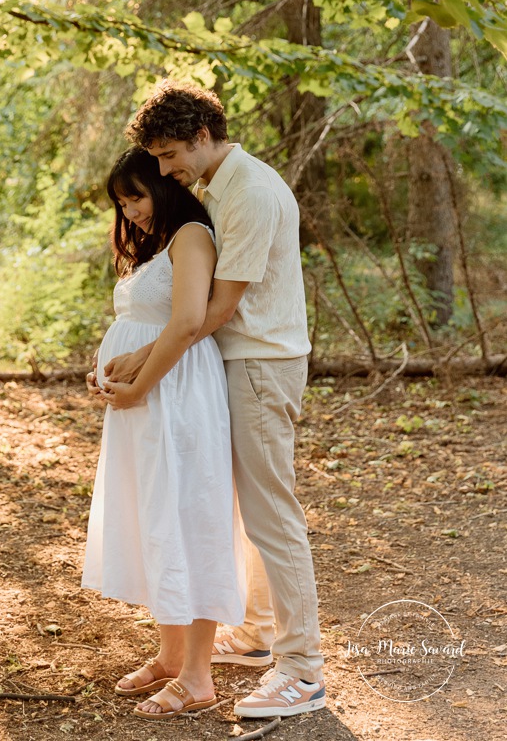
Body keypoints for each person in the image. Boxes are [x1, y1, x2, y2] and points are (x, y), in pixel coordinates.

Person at [102, 81, 325, 719]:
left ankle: (302, 669)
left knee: (271, 515)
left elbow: (218, 308)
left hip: (262, 362)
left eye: (170, 155)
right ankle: (256, 636)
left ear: (202, 134)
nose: (167, 169)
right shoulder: (222, 188)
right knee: (247, 512)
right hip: (239, 361)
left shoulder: (250, 191)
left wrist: (143, 363)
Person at [81, 146, 245, 721]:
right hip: (143, 401)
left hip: (177, 395)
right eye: (121, 203)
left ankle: (199, 676)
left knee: (190, 513)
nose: (129, 213)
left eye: (137, 196)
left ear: (164, 187)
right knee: (157, 514)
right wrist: (110, 365)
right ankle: (171, 655)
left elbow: (187, 322)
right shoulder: (153, 245)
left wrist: (141, 383)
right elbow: (139, 323)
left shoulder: (191, 236)